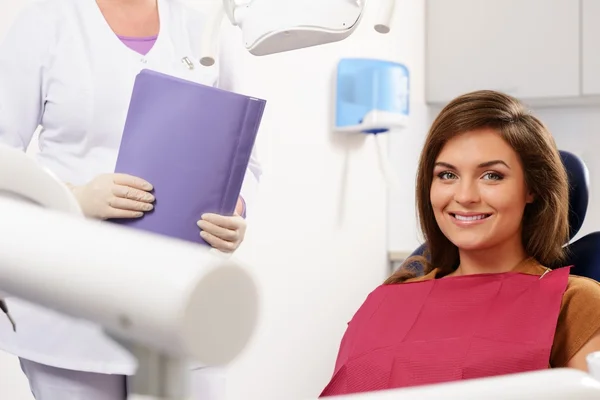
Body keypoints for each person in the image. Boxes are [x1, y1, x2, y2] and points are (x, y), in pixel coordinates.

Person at [0, 0, 261, 398]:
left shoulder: (205, 30)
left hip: (182, 290)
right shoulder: (46, 24)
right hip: (71, 297)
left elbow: (246, 154)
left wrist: (236, 209)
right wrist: (75, 199)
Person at [320, 90, 600, 397]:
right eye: (447, 174)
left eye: (492, 176)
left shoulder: (576, 304)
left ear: (532, 188)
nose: (465, 196)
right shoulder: (385, 300)